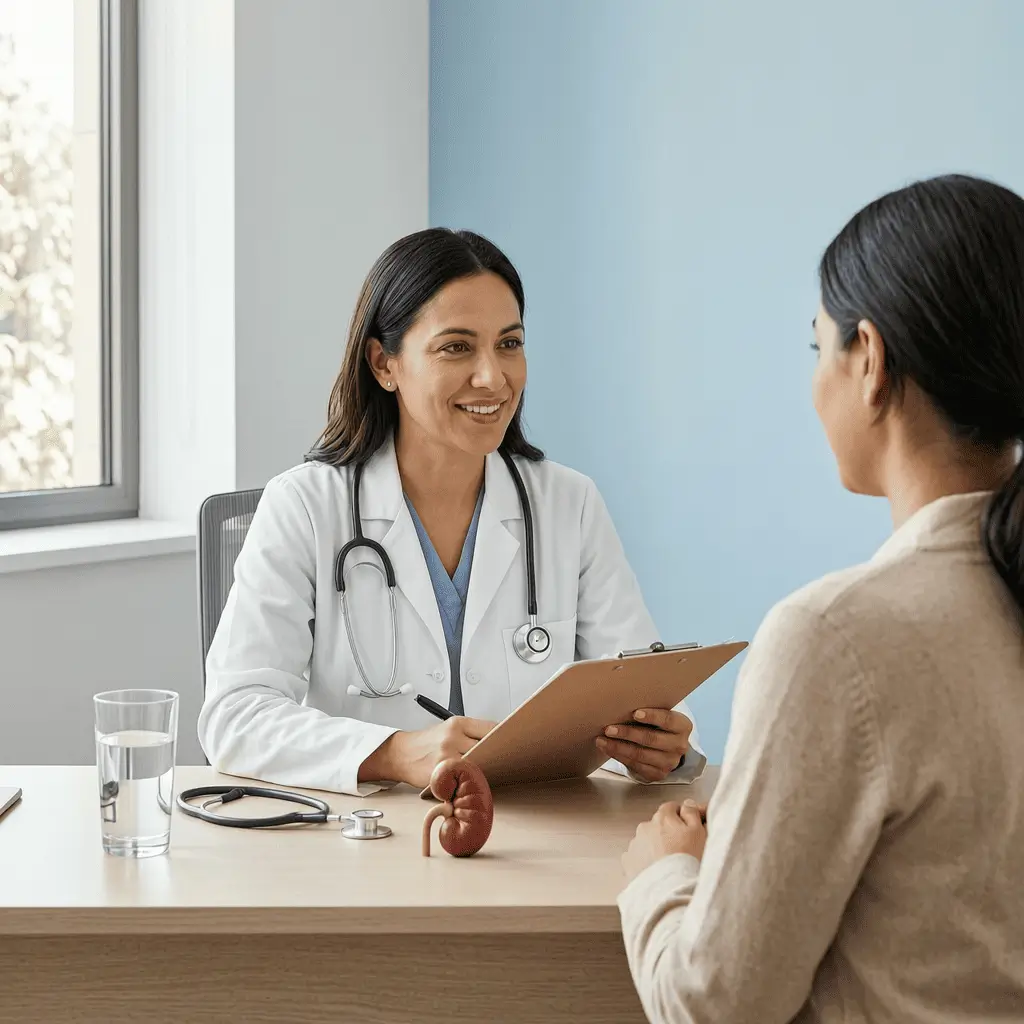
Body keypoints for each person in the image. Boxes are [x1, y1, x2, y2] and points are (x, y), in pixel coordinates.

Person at [617, 173, 1024, 1022]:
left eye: (818, 348)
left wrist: (662, 874)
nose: (815, 382)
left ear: (869, 362)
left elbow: (716, 1005)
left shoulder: (837, 638)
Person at [199, 228, 705, 795]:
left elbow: (640, 693)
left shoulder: (568, 503)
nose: (493, 377)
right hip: (368, 846)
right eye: (456, 347)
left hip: (535, 842)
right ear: (384, 365)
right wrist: (391, 752)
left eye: (509, 344)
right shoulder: (305, 507)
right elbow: (234, 717)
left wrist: (660, 748)